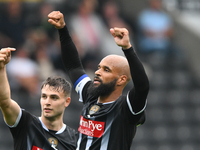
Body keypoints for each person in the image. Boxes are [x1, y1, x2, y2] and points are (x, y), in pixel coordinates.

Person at [48, 11, 149, 150]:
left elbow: (142, 87)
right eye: (98, 67)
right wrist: (62, 29)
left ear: (121, 80)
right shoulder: (90, 94)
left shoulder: (125, 108)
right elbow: (73, 67)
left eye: (106, 70)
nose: (97, 72)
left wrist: (127, 48)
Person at [0, 47, 77, 150]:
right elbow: (4, 101)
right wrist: (1, 68)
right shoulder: (26, 123)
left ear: (67, 101)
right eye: (44, 96)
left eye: (54, 98)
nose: (47, 102)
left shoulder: (75, 139)